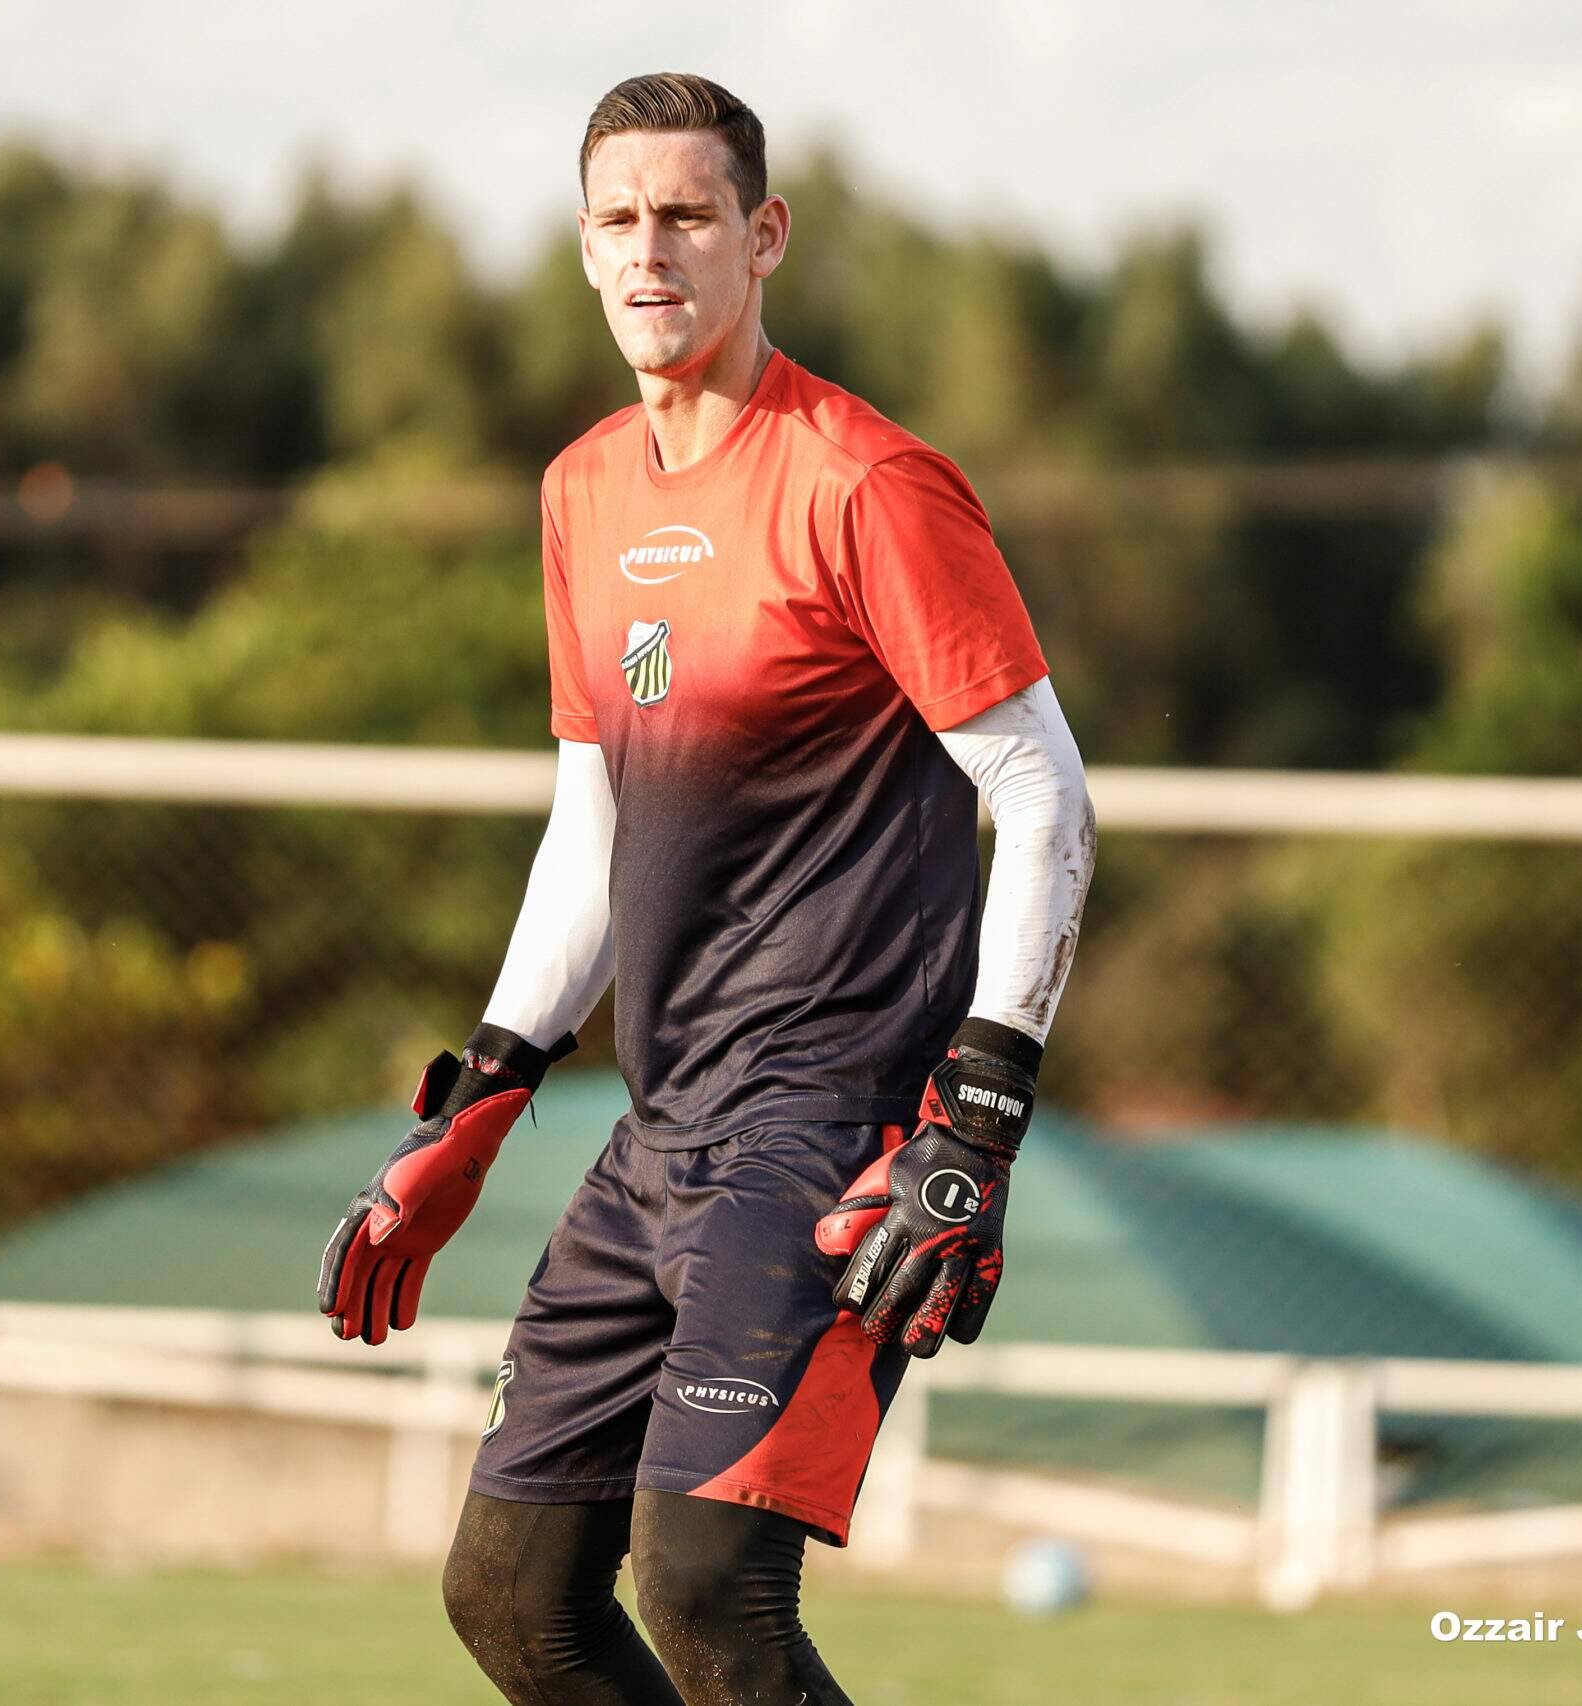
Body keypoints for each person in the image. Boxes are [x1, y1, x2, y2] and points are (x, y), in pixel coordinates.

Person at [318, 74, 1094, 1706]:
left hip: (832, 1121)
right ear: (583, 249)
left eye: (687, 213)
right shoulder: (580, 491)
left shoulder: (868, 481)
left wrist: (977, 1114)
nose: (651, 248)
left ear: (765, 237)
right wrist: (489, 1083)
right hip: (660, 1123)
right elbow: (594, 811)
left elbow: (1042, 791)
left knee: (707, 1580)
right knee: (513, 1596)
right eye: (619, 217)